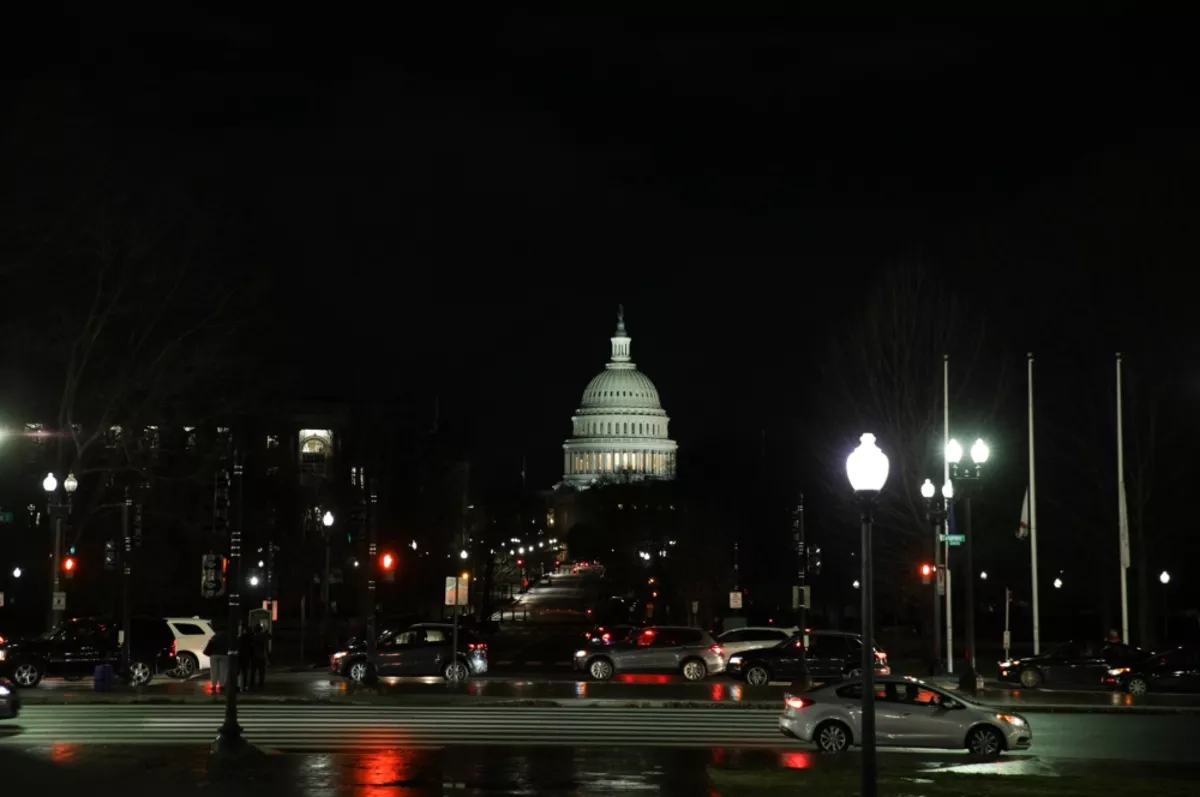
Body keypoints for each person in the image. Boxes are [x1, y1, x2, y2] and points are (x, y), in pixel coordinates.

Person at [251, 623, 269, 689]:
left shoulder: (253, 636)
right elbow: (265, 646)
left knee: (253, 671)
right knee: (261, 671)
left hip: (254, 655)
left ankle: (252, 683)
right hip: (261, 656)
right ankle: (261, 684)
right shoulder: (262, 636)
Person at [238, 625, 254, 690]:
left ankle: (239, 685)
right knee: (245, 671)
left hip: (240, 655)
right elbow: (251, 648)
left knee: (239, 671)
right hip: (247, 656)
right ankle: (245, 685)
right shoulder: (251, 638)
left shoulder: (240, 637)